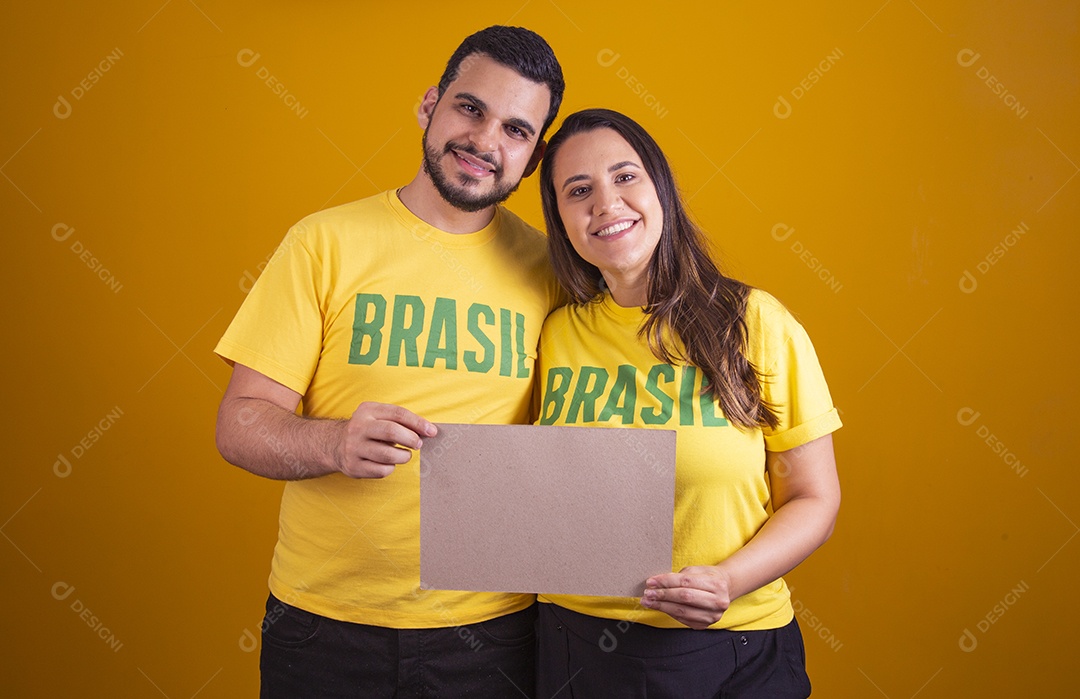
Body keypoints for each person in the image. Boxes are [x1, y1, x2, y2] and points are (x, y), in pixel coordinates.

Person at [213, 26, 565, 697]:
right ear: (430, 104)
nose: (486, 142)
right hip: (323, 626)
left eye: (516, 129)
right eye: (470, 108)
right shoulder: (323, 243)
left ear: (534, 154)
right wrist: (334, 440)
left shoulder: (554, 272)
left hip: (493, 631)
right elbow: (239, 423)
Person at [533, 108, 842, 698]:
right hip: (577, 643)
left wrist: (728, 580)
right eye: (579, 191)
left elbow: (815, 497)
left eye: (626, 177)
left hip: (734, 647)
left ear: (661, 189)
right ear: (561, 220)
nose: (605, 204)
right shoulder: (553, 335)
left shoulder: (754, 323)